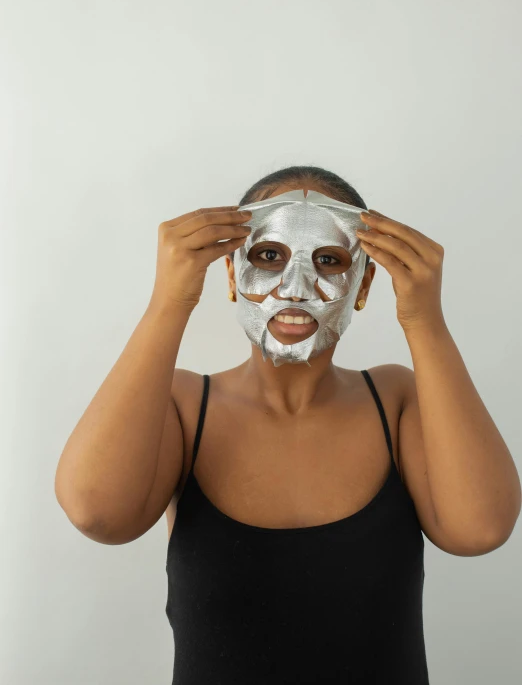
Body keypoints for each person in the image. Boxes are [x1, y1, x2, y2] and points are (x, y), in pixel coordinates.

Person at [55, 164, 521, 684]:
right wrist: (170, 302)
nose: (296, 287)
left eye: (328, 259)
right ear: (232, 273)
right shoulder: (184, 406)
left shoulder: (397, 399)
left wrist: (424, 320)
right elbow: (97, 514)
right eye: (268, 256)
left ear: (363, 282)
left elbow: (480, 529)